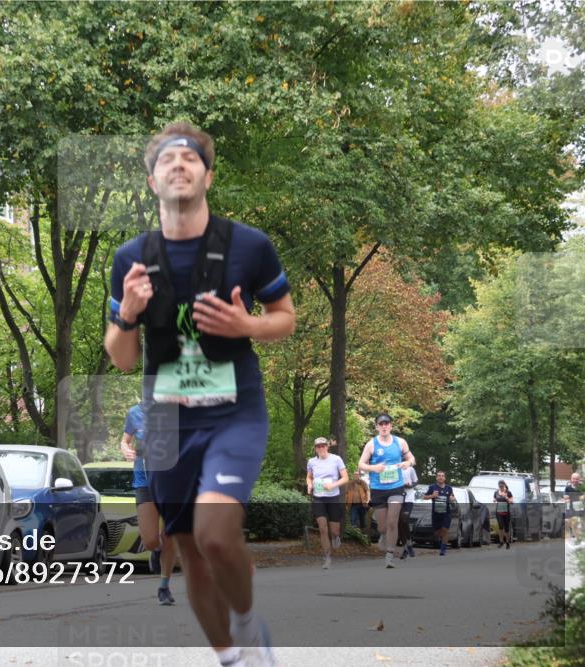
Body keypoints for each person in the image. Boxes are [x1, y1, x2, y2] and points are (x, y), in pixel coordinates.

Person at [105, 122, 296, 667]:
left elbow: (284, 317)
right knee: (188, 547)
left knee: (215, 534)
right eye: (168, 160)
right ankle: (232, 658)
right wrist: (129, 313)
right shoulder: (130, 259)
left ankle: (245, 622)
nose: (179, 165)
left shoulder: (249, 246)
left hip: (234, 411)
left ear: (208, 176)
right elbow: (121, 357)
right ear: (152, 181)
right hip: (165, 420)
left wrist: (247, 327)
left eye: (190, 158)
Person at [120, 403, 179, 605]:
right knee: (150, 540)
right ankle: (156, 549)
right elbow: (125, 440)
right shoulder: (135, 412)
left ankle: (164, 587)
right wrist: (126, 449)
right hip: (144, 481)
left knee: (170, 534)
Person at [358, 413, 415, 568]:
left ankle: (390, 555)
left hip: (396, 487)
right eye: (381, 424)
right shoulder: (371, 444)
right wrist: (373, 468)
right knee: (383, 526)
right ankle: (383, 535)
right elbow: (361, 465)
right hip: (378, 489)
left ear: (391, 426)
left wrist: (407, 463)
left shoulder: (400, 442)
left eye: (386, 423)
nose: (384, 426)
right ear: (376, 427)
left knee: (392, 521)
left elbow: (412, 458)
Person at [306, 437, 348, 569]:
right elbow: (309, 477)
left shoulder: (336, 459)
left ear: (327, 447)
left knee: (334, 531)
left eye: (323, 446)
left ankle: (336, 537)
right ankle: (327, 557)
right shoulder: (312, 462)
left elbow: (346, 478)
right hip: (318, 497)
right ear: (315, 449)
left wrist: (333, 485)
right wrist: (309, 485)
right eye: (318, 446)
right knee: (322, 528)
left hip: (333, 497)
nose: (321, 448)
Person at [423, 471, 457, 556]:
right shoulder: (432, 487)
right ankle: (439, 541)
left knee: (445, 530)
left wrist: (452, 499)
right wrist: (432, 496)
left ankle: (443, 549)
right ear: (436, 478)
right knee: (437, 533)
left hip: (446, 513)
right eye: (439, 476)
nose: (441, 477)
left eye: (442, 476)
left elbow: (452, 497)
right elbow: (424, 497)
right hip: (436, 513)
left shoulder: (449, 488)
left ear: (445, 478)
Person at [397, 465, 418, 560]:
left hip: (408, 497)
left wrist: (410, 485)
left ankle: (409, 543)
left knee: (404, 520)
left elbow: (416, 481)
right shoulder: (393, 468)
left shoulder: (410, 468)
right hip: (396, 497)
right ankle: (406, 548)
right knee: (399, 523)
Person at [563, 472, 583, 544]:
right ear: (571, 479)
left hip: (582, 509)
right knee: (574, 524)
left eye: (577, 479)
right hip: (572, 509)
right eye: (574, 479)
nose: (575, 480)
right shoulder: (568, 488)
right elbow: (565, 497)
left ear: (579, 479)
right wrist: (566, 498)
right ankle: (578, 539)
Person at [494, 480, 514, 550]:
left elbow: (512, 502)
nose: (501, 487)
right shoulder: (496, 492)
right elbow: (494, 499)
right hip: (499, 512)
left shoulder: (508, 493)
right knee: (500, 526)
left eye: (502, 486)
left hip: (506, 513)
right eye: (500, 486)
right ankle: (501, 542)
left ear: (504, 486)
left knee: (506, 528)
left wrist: (506, 498)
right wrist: (494, 500)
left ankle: (507, 542)